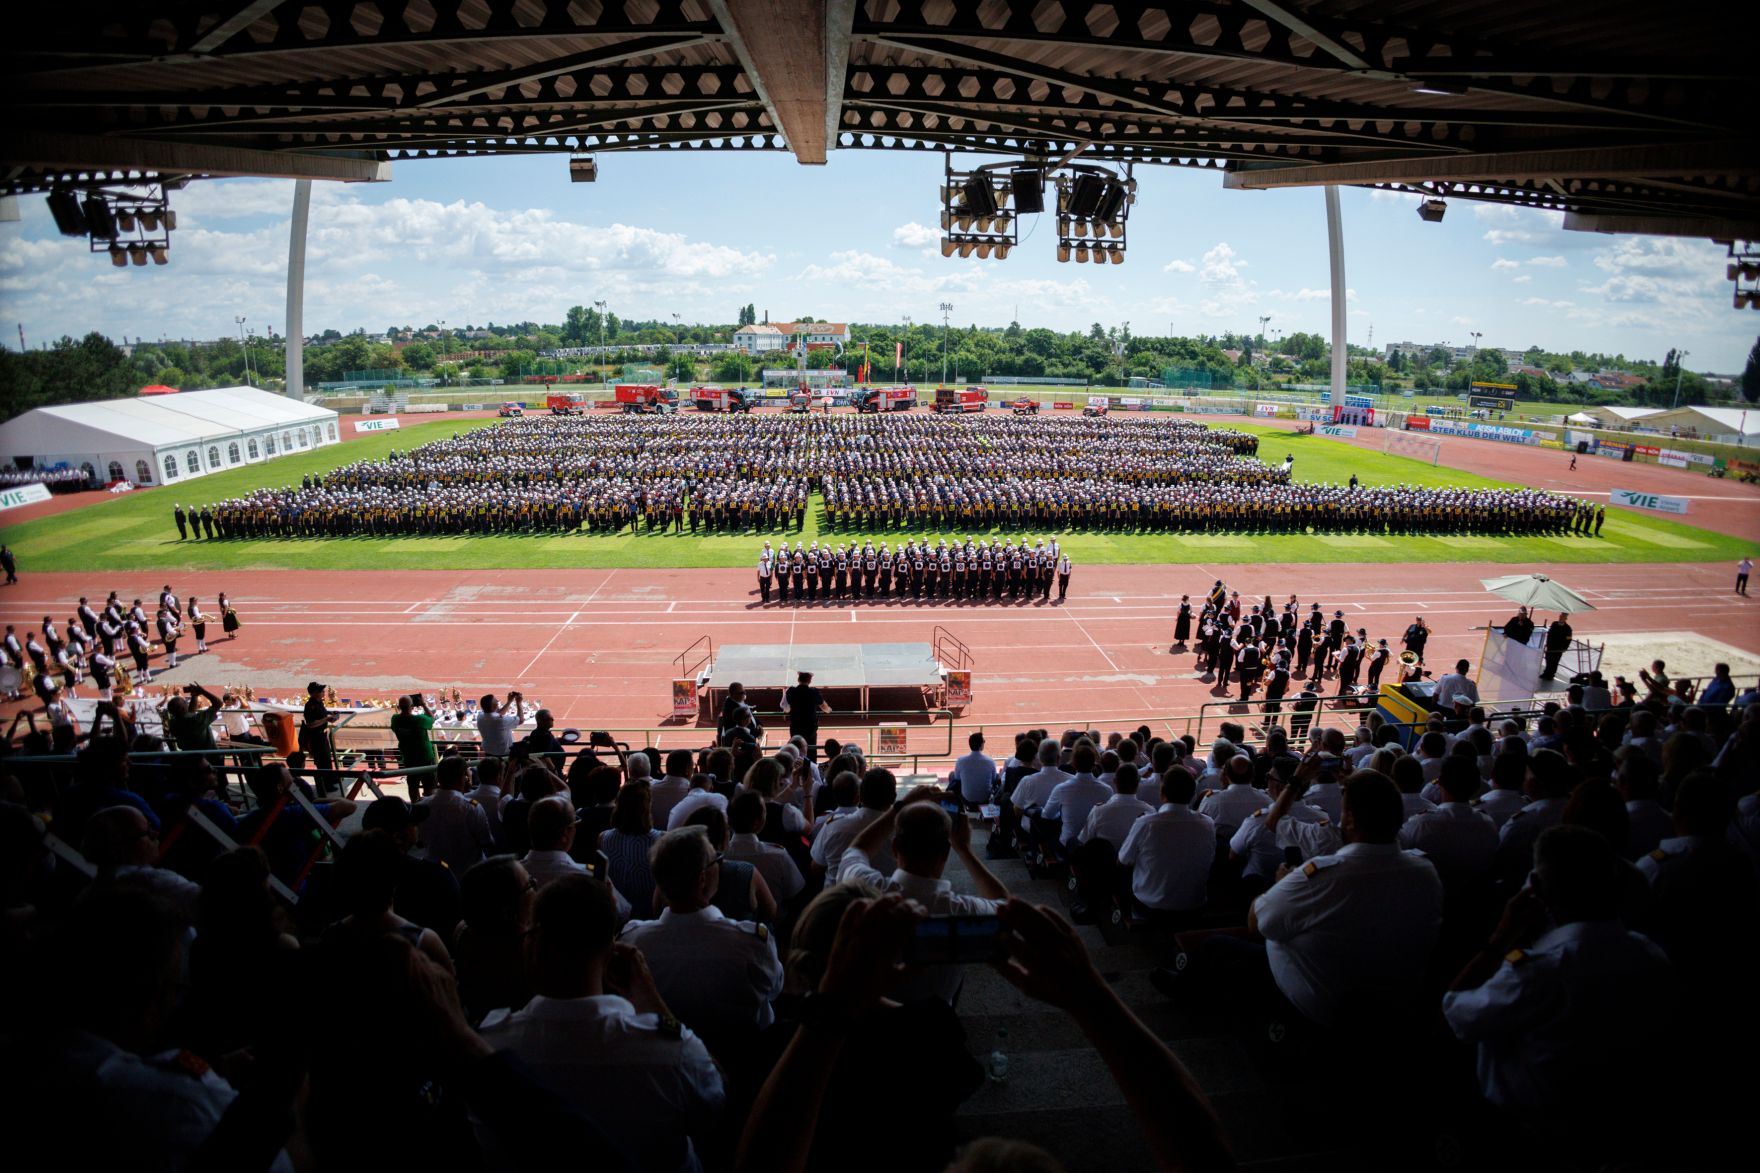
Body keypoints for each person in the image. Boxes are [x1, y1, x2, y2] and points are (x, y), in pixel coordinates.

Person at [731, 892, 1234, 1173]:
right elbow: (1204, 1152)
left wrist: (832, 1013)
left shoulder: (772, 1053)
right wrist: (1092, 998)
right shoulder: (928, 1023)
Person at [478, 873, 725, 1173]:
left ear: (535, 944)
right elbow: (717, 1105)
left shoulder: (490, 1046)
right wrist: (651, 999)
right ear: (612, 948)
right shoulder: (674, 1051)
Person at [1442, 825, 1674, 1128]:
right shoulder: (1651, 954)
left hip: (1531, 1122)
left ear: (1535, 887)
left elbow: (1456, 1012)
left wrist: (1500, 938)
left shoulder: (1540, 971)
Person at [1246, 771, 1444, 1027]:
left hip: (1320, 1006)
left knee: (1218, 946)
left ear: (1350, 818)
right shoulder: (1426, 872)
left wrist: (1283, 883)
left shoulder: (1322, 877)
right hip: (1394, 1001)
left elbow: (1255, 923)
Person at [617, 826, 785, 1045]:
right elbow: (774, 989)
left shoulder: (632, 942)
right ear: (703, 879)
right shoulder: (751, 942)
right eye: (716, 860)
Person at [1118, 767, 1215, 919]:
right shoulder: (1208, 823)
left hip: (1150, 908)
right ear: (1192, 795)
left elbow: (1123, 861)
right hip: (1194, 906)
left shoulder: (1146, 823)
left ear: (1162, 792)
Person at [420, 755, 496, 876]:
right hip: (470, 874)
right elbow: (487, 842)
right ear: (464, 778)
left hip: (435, 873)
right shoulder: (471, 807)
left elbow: (420, 842)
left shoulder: (422, 805)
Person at [783, 670, 828, 761]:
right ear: (809, 681)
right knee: (810, 749)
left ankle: (796, 768)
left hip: (796, 726)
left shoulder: (791, 691)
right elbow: (825, 707)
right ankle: (810, 771)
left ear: (798, 679)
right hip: (810, 728)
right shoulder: (814, 692)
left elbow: (786, 709)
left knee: (796, 748)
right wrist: (829, 710)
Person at [390, 691, 438, 773]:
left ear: (399, 706)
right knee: (429, 783)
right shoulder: (419, 719)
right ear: (412, 706)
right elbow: (432, 719)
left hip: (408, 757)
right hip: (425, 756)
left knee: (413, 783)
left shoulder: (395, 719)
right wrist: (423, 705)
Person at [948, 730, 998, 808]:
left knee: (952, 775)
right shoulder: (990, 761)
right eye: (984, 741)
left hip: (967, 800)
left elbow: (957, 778)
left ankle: (955, 802)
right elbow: (994, 779)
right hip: (985, 799)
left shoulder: (961, 760)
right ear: (981, 745)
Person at [299, 680, 335, 774]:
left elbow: (321, 714)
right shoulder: (310, 706)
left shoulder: (319, 702)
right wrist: (326, 719)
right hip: (316, 738)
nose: (323, 692)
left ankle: (330, 780)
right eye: (320, 691)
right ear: (314, 693)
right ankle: (326, 784)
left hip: (323, 736)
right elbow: (311, 724)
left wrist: (330, 714)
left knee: (327, 759)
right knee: (322, 762)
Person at [476, 691, 525, 758]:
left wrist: (509, 701)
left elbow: (497, 713)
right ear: (494, 706)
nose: (498, 702)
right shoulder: (500, 720)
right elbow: (521, 720)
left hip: (488, 751)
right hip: (503, 753)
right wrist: (518, 703)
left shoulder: (480, 716)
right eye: (496, 701)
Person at [1541, 613, 1573, 679]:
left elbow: (1569, 639)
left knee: (1554, 662)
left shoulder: (1568, 628)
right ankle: (1546, 672)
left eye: (1562, 617)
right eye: (1560, 616)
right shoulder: (1554, 624)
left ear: (1565, 618)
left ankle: (1551, 674)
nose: (1560, 618)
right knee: (1548, 659)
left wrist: (1565, 648)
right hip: (1551, 647)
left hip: (1559, 648)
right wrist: (1547, 643)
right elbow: (1549, 634)